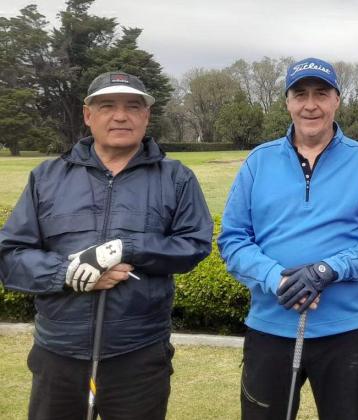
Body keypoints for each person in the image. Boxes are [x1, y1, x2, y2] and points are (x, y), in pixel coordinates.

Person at [0, 71, 213, 419]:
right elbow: (10, 257)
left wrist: (126, 248)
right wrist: (66, 272)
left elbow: (194, 245)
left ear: (146, 116)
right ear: (88, 115)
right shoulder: (46, 177)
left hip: (138, 355)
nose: (120, 115)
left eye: (133, 106)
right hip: (59, 355)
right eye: (107, 106)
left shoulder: (176, 178)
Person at [217, 57, 358, 420]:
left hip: (344, 332)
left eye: (321, 93)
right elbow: (234, 240)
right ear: (287, 102)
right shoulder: (259, 162)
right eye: (300, 94)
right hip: (270, 328)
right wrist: (277, 279)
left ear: (337, 99)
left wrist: (327, 269)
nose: (310, 104)